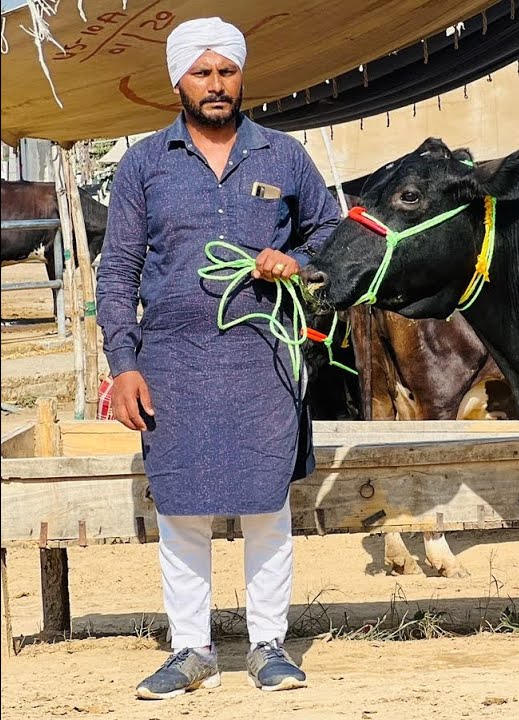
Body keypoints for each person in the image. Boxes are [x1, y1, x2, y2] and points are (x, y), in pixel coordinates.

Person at [96, 17, 340, 700]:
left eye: (226, 71)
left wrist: (295, 260)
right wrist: (124, 364)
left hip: (265, 357)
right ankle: (191, 649)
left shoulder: (284, 156)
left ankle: (269, 646)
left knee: (266, 506)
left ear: (241, 76)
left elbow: (331, 236)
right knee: (181, 509)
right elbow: (116, 271)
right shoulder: (144, 163)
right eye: (201, 73)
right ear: (177, 80)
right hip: (171, 361)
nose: (216, 85)